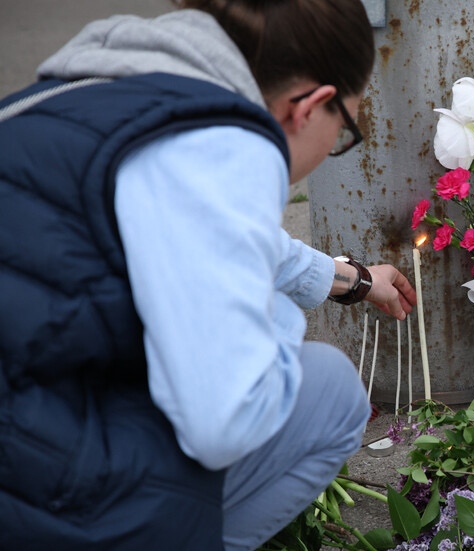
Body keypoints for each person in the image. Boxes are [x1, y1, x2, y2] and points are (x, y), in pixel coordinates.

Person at [0, 0, 416, 549]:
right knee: (332, 391)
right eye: (343, 129)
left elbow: (220, 232)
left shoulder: (100, 87)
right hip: (33, 489)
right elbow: (225, 421)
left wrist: (352, 279)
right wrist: (274, 316)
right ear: (311, 105)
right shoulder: (226, 143)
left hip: (31, 407)